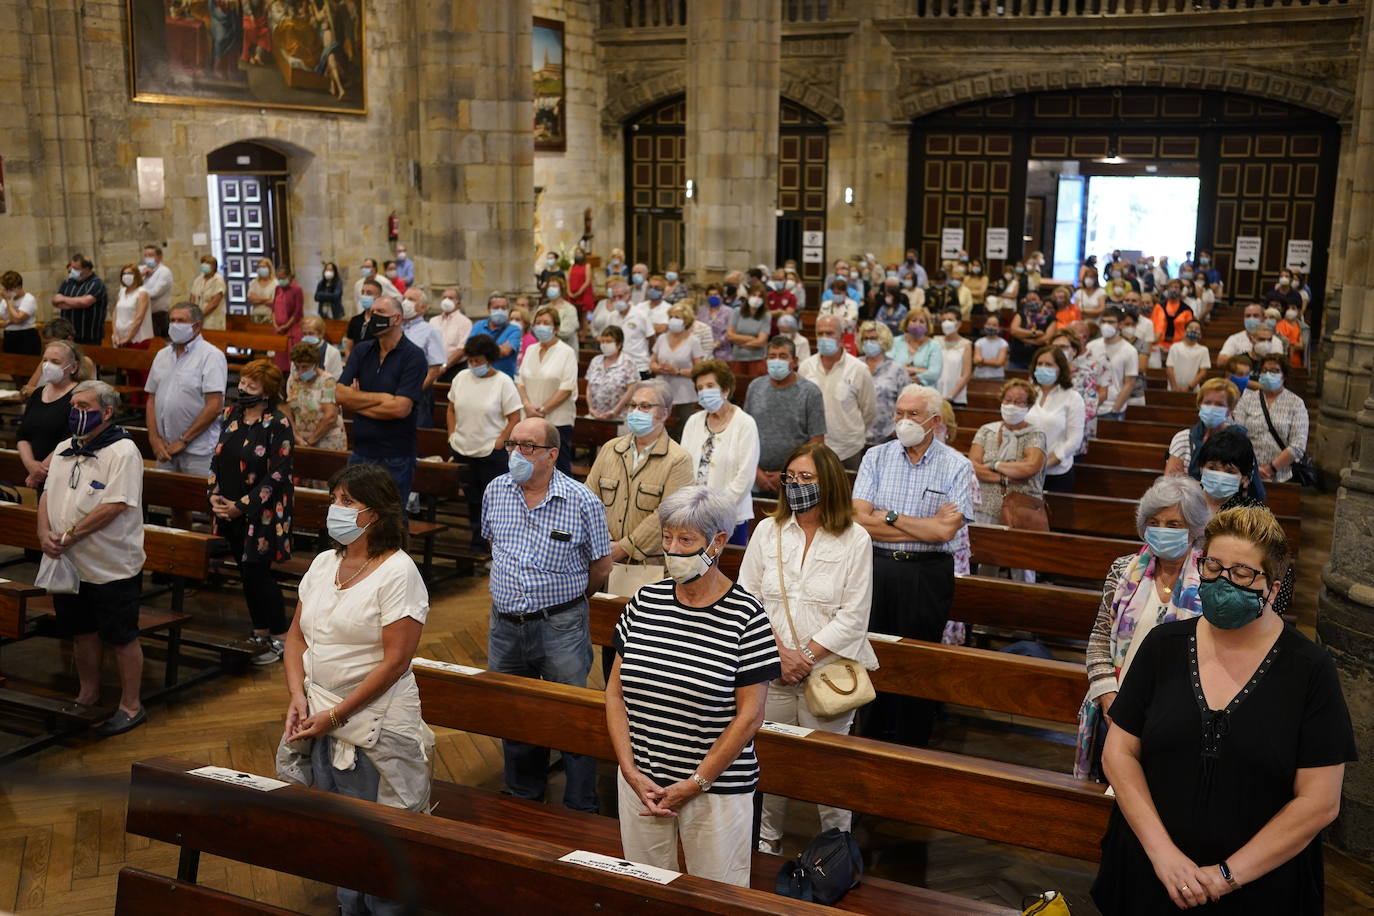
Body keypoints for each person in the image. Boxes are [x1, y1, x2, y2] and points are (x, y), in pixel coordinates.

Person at [1091, 505, 1355, 914]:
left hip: (1259, 887)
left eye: (1243, 573)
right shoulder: (1164, 646)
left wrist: (1224, 876)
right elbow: (1120, 753)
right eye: (1212, 566)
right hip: (1150, 870)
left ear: (1273, 586)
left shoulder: (1310, 670)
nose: (1223, 580)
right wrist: (1163, 854)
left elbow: (1319, 802)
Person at [278, 463, 433, 916]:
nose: (335, 510)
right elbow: (295, 637)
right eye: (333, 500)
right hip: (318, 715)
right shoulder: (325, 563)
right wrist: (297, 695)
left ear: (377, 514)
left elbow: (395, 662)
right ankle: (349, 908)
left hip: (372, 722)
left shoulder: (397, 572)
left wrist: (338, 713)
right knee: (340, 835)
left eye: (347, 502)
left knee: (380, 840)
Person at [606, 485, 779, 886]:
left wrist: (696, 782)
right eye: (667, 538)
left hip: (715, 790)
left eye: (686, 540)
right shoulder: (645, 601)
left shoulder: (747, 616)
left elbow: (750, 716)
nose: (673, 549)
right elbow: (615, 694)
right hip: (642, 783)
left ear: (717, 543)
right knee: (645, 889)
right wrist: (630, 772)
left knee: (717, 894)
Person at [736, 443, 874, 854]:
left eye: (806, 478)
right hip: (771, 668)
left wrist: (806, 657)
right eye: (790, 477)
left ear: (828, 482)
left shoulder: (855, 538)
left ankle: (837, 849)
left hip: (829, 674)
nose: (795, 485)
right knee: (771, 761)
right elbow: (748, 598)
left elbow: (854, 614)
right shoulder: (768, 530)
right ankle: (766, 842)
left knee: (828, 770)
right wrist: (779, 653)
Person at [485, 417, 613, 813]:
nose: (516, 454)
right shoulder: (496, 490)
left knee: (570, 716)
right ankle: (525, 792)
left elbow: (602, 566)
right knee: (514, 712)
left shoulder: (581, 500)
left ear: (552, 454)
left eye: (527, 446)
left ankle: (580, 804)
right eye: (512, 444)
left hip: (560, 624)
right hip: (505, 625)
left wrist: (571, 599)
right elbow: (494, 546)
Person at [853, 384, 971, 747]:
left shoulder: (957, 465)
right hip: (877, 566)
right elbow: (858, 518)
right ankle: (868, 738)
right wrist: (920, 524)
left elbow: (945, 531)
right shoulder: (876, 456)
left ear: (934, 421)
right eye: (900, 414)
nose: (904, 421)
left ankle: (911, 745)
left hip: (927, 573)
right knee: (872, 652)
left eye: (913, 415)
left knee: (917, 660)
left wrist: (885, 517)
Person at [1074, 475, 1210, 780]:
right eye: (1155, 522)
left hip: (1179, 719)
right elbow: (1099, 638)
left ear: (1194, 529)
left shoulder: (1209, 582)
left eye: (1173, 524)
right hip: (1117, 709)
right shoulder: (1123, 570)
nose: (1162, 530)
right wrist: (1109, 698)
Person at [37, 381, 147, 735]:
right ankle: (87, 694)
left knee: (122, 636)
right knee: (81, 632)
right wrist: (43, 534)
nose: (75, 413)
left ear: (108, 411)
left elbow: (114, 506)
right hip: (69, 562)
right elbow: (45, 492)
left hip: (111, 564)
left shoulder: (123, 452)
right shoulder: (65, 447)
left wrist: (69, 536)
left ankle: (131, 706)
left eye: (84, 406)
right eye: (73, 406)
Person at [209, 359, 293, 665]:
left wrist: (242, 506)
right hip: (228, 508)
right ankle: (260, 631)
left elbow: (278, 473)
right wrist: (215, 496)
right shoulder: (232, 415)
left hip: (264, 513)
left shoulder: (277, 423)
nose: (243, 388)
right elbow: (216, 458)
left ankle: (280, 637)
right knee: (246, 573)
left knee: (259, 571)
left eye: (251, 386)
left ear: (267, 392)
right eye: (242, 382)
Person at [587, 381, 694, 585]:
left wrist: (625, 547)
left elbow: (668, 515)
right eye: (632, 405)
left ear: (663, 414)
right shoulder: (611, 449)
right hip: (601, 558)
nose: (636, 412)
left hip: (647, 566)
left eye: (645, 406)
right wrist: (603, 542)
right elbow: (589, 499)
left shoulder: (678, 459)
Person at [336, 296, 428, 506]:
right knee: (354, 517)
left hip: (394, 455)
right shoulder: (362, 350)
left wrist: (357, 402)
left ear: (396, 318)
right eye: (371, 311)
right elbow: (340, 395)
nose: (372, 316)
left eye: (379, 312)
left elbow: (400, 409)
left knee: (390, 520)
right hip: (361, 452)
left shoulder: (413, 356)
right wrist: (382, 399)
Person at [446, 333, 518, 554]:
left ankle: (495, 547)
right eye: (470, 360)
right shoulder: (461, 378)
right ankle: (476, 543)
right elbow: (451, 407)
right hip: (463, 447)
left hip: (490, 451)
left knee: (494, 502)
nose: (473, 365)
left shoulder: (503, 382)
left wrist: (500, 441)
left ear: (489, 359)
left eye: (478, 361)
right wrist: (451, 434)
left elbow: (515, 416)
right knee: (473, 500)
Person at [145, 303, 228, 489]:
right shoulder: (162, 355)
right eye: (172, 320)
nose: (174, 325)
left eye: (181, 321)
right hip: (164, 446)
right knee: (174, 502)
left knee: (205, 501)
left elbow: (214, 406)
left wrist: (183, 440)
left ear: (196, 326)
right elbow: (151, 398)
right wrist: (154, 438)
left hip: (198, 448)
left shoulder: (211, 356)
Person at [680, 362, 760, 546]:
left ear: (725, 389)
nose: (704, 391)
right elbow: (683, 467)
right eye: (700, 388)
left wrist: (715, 511)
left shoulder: (745, 423)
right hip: (693, 516)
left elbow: (745, 476)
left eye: (710, 386)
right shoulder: (693, 421)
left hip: (731, 517)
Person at [744, 337, 826, 495]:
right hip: (755, 478)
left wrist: (787, 474)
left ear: (794, 361)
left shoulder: (810, 392)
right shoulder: (755, 387)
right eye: (772, 356)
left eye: (782, 356)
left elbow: (817, 442)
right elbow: (744, 434)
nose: (776, 361)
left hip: (796, 481)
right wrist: (755, 471)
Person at [799, 315, 877, 471]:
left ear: (841, 338)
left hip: (848, 450)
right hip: (812, 448)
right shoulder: (806, 367)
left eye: (829, 333)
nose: (824, 338)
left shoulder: (858, 369)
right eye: (820, 334)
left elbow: (869, 411)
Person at [968, 378, 1047, 526]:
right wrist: (1006, 478)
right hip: (984, 508)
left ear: (1028, 406)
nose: (1011, 406)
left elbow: (1029, 467)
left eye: (1018, 402)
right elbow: (973, 467)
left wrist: (994, 465)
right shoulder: (986, 431)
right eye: (1008, 400)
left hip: (1021, 510)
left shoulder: (1035, 434)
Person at [516, 305, 579, 474]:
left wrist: (542, 410)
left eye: (546, 323)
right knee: (531, 466)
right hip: (529, 417)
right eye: (538, 323)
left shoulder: (566, 352)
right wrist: (528, 405)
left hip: (557, 419)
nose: (541, 326)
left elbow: (567, 387)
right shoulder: (530, 349)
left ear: (556, 328)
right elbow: (520, 381)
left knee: (559, 467)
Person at [19, 341, 85, 490]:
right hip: (37, 471)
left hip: (65, 475)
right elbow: (22, 435)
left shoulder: (79, 397)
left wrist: (40, 470)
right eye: (45, 360)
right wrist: (31, 465)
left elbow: (71, 439)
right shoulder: (37, 394)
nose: (48, 366)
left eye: (55, 362)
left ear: (73, 367)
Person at [1231, 357, 1308, 484]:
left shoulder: (1296, 403)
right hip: (1247, 473)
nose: (1268, 374)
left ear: (1284, 376)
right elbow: (1238, 435)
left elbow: (1298, 445)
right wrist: (1252, 468)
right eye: (1265, 370)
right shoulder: (1247, 399)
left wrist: (1269, 469)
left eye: (1274, 371)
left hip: (1282, 476)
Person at [1026, 345, 1086, 493]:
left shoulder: (1072, 397)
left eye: (1049, 364)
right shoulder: (1030, 392)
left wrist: (1047, 463)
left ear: (1060, 368)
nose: (1042, 367)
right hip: (1025, 470)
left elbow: (1074, 440)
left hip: (1056, 472)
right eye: (1039, 364)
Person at [1166, 379, 1245, 479]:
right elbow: (1170, 483)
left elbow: (1235, 484)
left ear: (1229, 410)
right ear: (1200, 405)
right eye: (1207, 403)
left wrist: (1186, 482)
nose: (1212, 408)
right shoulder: (1183, 438)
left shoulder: (1238, 441)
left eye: (1219, 404)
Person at [651, 302, 707, 434]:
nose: (673, 320)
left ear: (686, 321)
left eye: (677, 317)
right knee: (659, 429)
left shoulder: (693, 341)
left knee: (682, 431)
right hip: (662, 391)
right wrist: (658, 368)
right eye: (671, 316)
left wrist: (677, 371)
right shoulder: (662, 338)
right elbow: (652, 362)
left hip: (685, 394)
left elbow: (698, 370)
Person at [399, 288, 447, 430]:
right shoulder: (396, 327)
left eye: (412, 300)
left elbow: (435, 370)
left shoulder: (430, 330)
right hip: (395, 390)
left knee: (417, 435)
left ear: (423, 308)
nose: (406, 302)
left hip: (419, 393)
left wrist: (414, 392)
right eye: (404, 298)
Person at [286, 342, 347, 451]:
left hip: (327, 441)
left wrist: (310, 442)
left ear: (315, 364)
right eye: (297, 367)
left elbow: (330, 417)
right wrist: (297, 438)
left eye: (305, 367)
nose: (300, 371)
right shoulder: (294, 381)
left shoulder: (327, 380)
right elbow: (289, 412)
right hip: (301, 440)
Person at [857, 320, 909, 447]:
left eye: (873, 338)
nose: (869, 342)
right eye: (865, 338)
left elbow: (907, 402)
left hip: (887, 437)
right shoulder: (854, 366)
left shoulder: (896, 369)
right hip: (856, 436)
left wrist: (898, 429)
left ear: (883, 340)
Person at [1194, 428, 1269, 513]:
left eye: (1230, 472)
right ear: (1201, 468)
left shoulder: (1251, 514)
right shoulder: (1187, 501)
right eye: (1212, 468)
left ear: (1245, 478)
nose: (1220, 476)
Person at [111, 263, 154, 399]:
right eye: (124, 274)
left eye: (129, 274)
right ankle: (134, 403)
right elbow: (115, 312)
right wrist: (116, 334)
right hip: (121, 339)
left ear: (136, 276)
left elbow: (139, 317)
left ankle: (146, 404)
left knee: (141, 373)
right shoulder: (122, 291)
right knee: (130, 373)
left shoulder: (142, 292)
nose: (126, 277)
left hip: (138, 338)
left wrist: (128, 337)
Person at [1087, 307, 1137, 420]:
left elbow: (1130, 383)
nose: (1106, 325)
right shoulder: (1091, 346)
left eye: (1110, 322)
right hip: (1091, 406)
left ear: (1121, 324)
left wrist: (1116, 407)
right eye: (1103, 321)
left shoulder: (1129, 351)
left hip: (1112, 409)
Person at [585, 325, 640, 422]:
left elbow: (631, 390)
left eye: (609, 342)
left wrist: (615, 411)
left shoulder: (628, 362)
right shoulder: (596, 361)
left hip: (619, 418)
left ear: (619, 344)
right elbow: (589, 387)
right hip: (595, 416)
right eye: (603, 341)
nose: (605, 344)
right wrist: (591, 409)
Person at [51, 254, 107, 345]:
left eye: (76, 268)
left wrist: (64, 299)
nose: (72, 271)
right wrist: (76, 303)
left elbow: (85, 302)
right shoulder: (68, 282)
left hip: (89, 336)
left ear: (87, 269)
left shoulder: (96, 283)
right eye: (72, 268)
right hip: (68, 335)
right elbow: (55, 301)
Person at [467, 293, 523, 378]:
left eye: (504, 308)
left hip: (503, 378)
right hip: (478, 376)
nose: (500, 310)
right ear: (489, 309)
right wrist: (498, 347)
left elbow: (505, 351)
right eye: (496, 308)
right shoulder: (478, 325)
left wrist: (479, 347)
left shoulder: (514, 329)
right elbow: (469, 350)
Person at [888, 308, 942, 386]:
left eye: (922, 321)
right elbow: (889, 366)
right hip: (897, 387)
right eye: (914, 320)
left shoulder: (934, 346)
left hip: (925, 390)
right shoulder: (895, 342)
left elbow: (934, 373)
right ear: (906, 323)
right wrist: (920, 370)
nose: (917, 324)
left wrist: (908, 374)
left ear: (927, 326)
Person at [431, 287, 472, 381]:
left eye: (450, 298)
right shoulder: (433, 321)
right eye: (444, 297)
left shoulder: (465, 322)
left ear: (458, 302)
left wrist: (445, 366)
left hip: (455, 368)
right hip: (434, 367)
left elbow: (462, 349)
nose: (446, 300)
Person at [1008, 293, 1057, 370]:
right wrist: (1034, 333)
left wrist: (1021, 337)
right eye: (1029, 300)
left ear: (1040, 301)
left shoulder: (1050, 318)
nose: (1031, 302)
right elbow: (1014, 331)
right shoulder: (1021, 315)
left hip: (1039, 360)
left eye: (1034, 299)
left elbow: (1044, 339)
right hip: (1017, 359)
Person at [271, 265, 305, 373]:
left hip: (292, 328)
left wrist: (285, 326)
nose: (281, 280)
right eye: (278, 278)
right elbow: (273, 309)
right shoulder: (277, 288)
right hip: (279, 329)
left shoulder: (297, 289)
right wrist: (276, 325)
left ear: (289, 276)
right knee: (279, 360)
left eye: (283, 277)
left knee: (292, 359)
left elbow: (297, 311)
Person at [935, 308, 972, 406]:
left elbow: (966, 374)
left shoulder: (966, 344)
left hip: (956, 398)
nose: (946, 323)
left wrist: (950, 396)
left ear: (959, 324)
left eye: (950, 320)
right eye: (943, 320)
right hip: (934, 396)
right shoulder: (935, 341)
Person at [726, 289, 771, 371]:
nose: (756, 298)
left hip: (757, 359)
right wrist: (751, 338)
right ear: (748, 296)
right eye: (754, 295)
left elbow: (761, 342)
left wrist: (739, 342)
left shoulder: (766, 315)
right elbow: (729, 335)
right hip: (737, 358)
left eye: (760, 296)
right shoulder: (737, 311)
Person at [0, 271, 40, 355]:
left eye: (10, 289)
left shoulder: (28, 299)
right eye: (6, 289)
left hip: (26, 337)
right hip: (9, 336)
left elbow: (17, 319)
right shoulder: (3, 302)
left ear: (19, 287)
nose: (7, 292)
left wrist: (8, 301)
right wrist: (10, 320)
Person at [1165, 319, 1210, 391]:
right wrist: (1174, 386)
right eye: (1190, 327)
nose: (1193, 330)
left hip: (1193, 389)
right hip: (1173, 388)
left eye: (1197, 329)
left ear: (1200, 334)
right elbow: (1169, 368)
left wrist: (1189, 387)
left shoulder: (1203, 350)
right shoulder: (1175, 347)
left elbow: (1203, 372)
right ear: (1185, 331)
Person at [140, 244, 174, 338]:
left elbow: (155, 293)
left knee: (159, 342)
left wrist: (138, 293)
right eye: (145, 255)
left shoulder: (164, 272)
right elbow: (128, 287)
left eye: (150, 255)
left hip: (158, 315)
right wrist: (140, 275)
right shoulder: (141, 270)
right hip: (143, 313)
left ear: (159, 257)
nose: (147, 258)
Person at [296, 313, 344, 380]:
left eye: (311, 333)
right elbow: (293, 376)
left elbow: (337, 379)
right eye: (304, 334)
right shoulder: (298, 351)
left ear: (321, 334)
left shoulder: (332, 352)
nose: (307, 337)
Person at [188, 255, 227, 331]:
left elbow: (214, 302)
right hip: (197, 318)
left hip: (212, 319)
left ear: (213, 266)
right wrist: (193, 313)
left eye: (207, 263)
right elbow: (193, 296)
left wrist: (201, 315)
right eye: (203, 263)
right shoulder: (199, 279)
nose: (204, 265)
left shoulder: (218, 280)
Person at [565, 248, 597, 316]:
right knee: (572, 313)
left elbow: (587, 281)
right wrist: (569, 293)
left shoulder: (587, 266)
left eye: (580, 253)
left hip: (584, 294)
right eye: (576, 253)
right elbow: (568, 280)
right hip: (572, 295)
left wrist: (579, 292)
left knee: (586, 316)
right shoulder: (572, 266)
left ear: (583, 254)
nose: (578, 254)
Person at [246, 257, 278, 324]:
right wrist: (266, 299)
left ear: (269, 268)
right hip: (255, 315)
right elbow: (251, 299)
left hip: (270, 316)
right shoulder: (253, 283)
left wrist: (258, 299)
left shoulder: (275, 283)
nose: (261, 269)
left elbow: (273, 302)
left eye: (264, 267)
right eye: (259, 267)